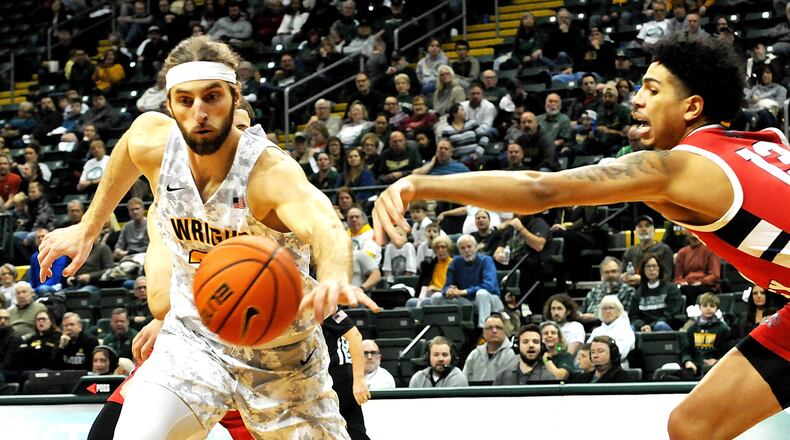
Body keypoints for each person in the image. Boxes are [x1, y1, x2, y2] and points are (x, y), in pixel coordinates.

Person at [374, 33, 788, 434]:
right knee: (693, 426)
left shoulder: (681, 168)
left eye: (652, 90)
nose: (637, 99)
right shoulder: (763, 142)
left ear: (692, 107)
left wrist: (419, 185)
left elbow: (540, 188)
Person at [37, 35, 378, 439]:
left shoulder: (269, 174)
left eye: (212, 97)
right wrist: (88, 228)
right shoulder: (154, 140)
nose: (199, 112)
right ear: (170, 105)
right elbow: (128, 149)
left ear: (236, 96)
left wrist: (337, 273)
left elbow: (325, 224)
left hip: (280, 355)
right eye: (185, 100)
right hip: (193, 341)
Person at [430, 235, 504, 328]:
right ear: (459, 251)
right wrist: (448, 291)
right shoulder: (455, 262)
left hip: (489, 299)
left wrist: (463, 292)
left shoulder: (486, 260)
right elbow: (446, 286)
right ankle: (438, 329)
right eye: (462, 248)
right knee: (437, 297)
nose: (466, 250)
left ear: (476, 247)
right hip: (466, 300)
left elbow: (489, 286)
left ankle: (483, 330)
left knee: (482, 294)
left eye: (469, 246)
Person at [320, 310, 370, 440]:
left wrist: (359, 381)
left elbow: (355, 336)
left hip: (340, 380)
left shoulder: (324, 307)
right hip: (317, 382)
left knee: (355, 433)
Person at [631, 254, 684, 332]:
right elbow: (634, 315)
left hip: (664, 325)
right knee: (629, 328)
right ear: (643, 270)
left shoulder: (671, 289)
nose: (652, 269)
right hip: (644, 327)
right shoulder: (639, 292)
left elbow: (671, 313)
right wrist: (642, 326)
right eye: (648, 266)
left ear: (660, 268)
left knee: (660, 325)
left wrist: (652, 326)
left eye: (654, 266)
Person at [682, 292, 730, 377]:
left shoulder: (723, 329)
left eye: (712, 306)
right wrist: (688, 361)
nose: (708, 309)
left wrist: (717, 360)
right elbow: (686, 350)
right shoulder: (692, 329)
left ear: (717, 309)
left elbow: (726, 351)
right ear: (700, 307)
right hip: (694, 366)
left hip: (716, 367)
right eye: (705, 306)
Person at [462, 313, 518, 382]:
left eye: (498, 327)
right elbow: (463, 381)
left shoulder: (513, 354)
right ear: (483, 332)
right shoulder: (474, 354)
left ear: (505, 331)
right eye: (489, 328)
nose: (494, 331)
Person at [621, 215, 674, 286]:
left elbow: (667, 277)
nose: (643, 229)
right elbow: (622, 273)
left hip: (656, 290)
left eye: (647, 226)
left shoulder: (664, 249)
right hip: (633, 289)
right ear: (636, 231)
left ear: (654, 230)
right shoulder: (630, 251)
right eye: (640, 226)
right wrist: (625, 277)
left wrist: (642, 280)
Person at [579, 257, 635, 324]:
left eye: (613, 271)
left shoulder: (628, 291)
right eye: (606, 272)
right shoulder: (595, 290)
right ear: (601, 274)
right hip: (587, 326)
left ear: (620, 272)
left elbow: (623, 314)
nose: (610, 275)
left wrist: (595, 317)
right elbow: (582, 309)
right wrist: (579, 314)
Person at [588, 295, 636, 363]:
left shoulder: (625, 330)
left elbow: (620, 354)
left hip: (617, 368)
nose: (607, 311)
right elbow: (587, 352)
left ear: (619, 311)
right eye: (604, 308)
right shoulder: (596, 331)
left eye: (611, 308)